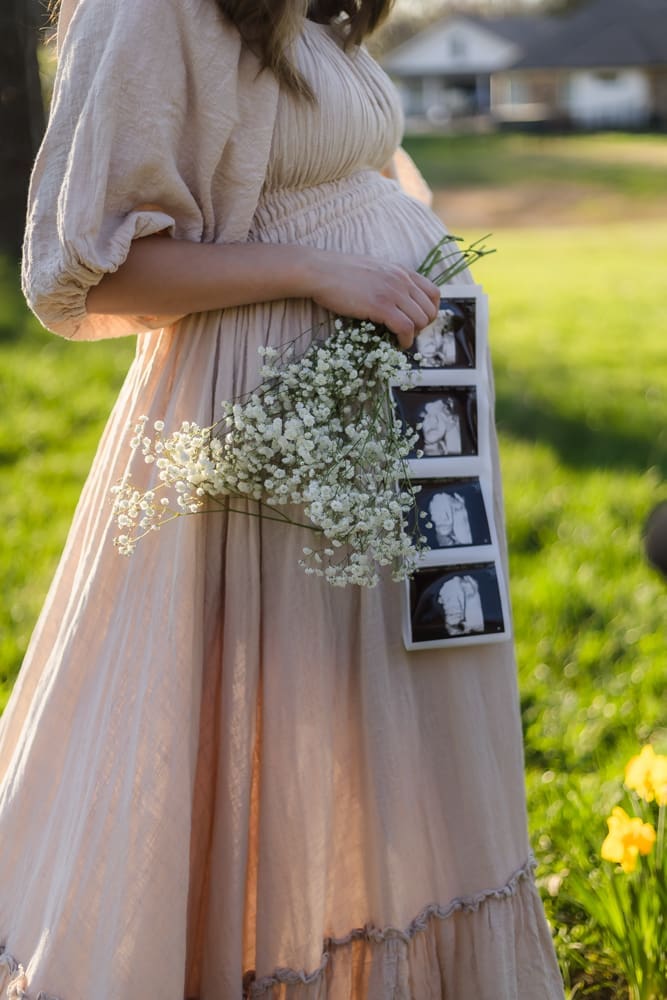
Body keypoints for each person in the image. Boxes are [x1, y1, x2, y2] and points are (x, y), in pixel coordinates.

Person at [0, 0, 564, 997]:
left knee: (403, 733)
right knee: (283, 737)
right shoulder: (149, 11)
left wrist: (405, 245)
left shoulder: (312, 12)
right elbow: (84, 273)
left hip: (405, 422)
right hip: (270, 421)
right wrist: (318, 266)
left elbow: (353, 175)